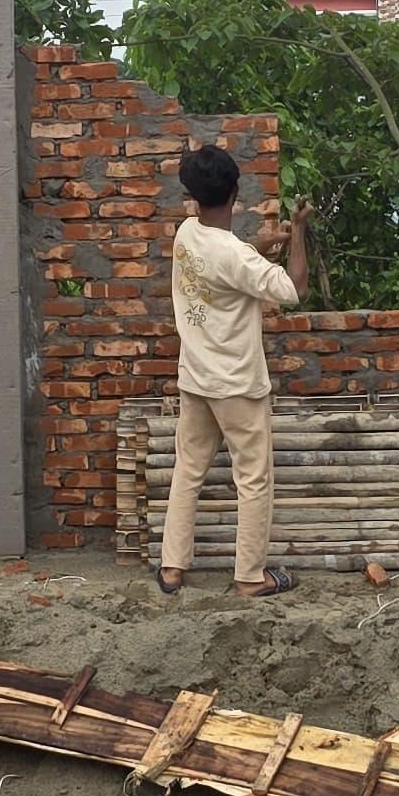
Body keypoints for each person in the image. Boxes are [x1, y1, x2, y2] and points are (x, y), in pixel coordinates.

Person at [158, 143, 306, 598]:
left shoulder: (186, 235)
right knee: (253, 480)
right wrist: (299, 232)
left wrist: (267, 245)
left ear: (192, 196)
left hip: (196, 377)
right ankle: (250, 577)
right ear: (235, 193)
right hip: (237, 385)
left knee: (188, 470)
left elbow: (227, 257)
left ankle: (172, 568)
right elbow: (293, 287)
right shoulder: (238, 258)